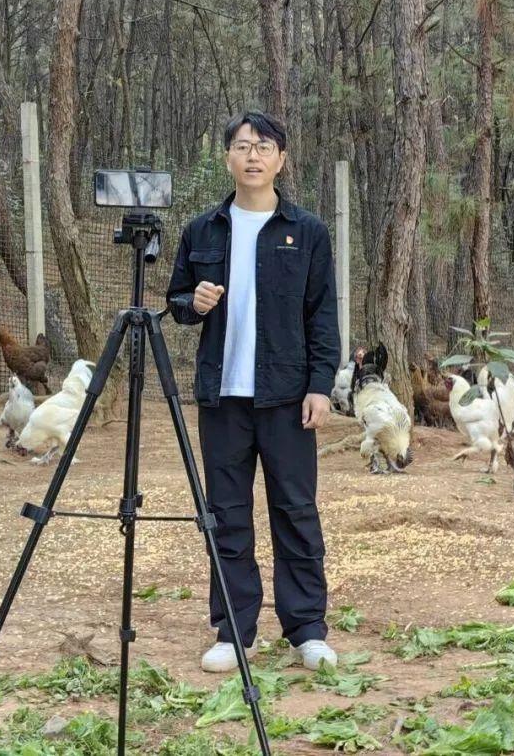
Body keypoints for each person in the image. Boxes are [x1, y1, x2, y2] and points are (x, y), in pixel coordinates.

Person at [166, 111, 341, 673]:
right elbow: (176, 302)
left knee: (295, 510)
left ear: (281, 159)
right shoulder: (203, 229)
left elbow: (322, 316)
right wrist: (192, 305)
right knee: (226, 514)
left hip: (288, 397)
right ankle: (233, 630)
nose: (253, 156)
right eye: (242, 146)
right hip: (222, 397)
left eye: (263, 146)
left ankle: (307, 629)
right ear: (228, 158)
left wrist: (320, 386)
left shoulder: (306, 231)